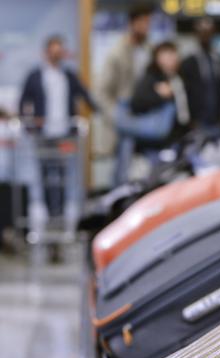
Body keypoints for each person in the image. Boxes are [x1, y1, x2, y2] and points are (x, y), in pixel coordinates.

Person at [19, 35, 96, 235]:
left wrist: (102, 113)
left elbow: (85, 95)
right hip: (43, 136)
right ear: (46, 53)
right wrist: (29, 125)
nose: (57, 55)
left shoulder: (68, 75)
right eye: (54, 51)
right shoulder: (35, 75)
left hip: (65, 135)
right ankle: (49, 215)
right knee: (45, 177)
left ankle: (59, 216)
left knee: (61, 177)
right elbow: (23, 101)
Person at [96, 3, 153, 183]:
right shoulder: (117, 53)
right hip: (125, 117)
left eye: (148, 23)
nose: (146, 27)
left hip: (146, 117)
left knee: (146, 170)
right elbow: (101, 91)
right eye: (143, 22)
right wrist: (116, 115)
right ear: (132, 23)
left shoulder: (149, 51)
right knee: (122, 170)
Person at [130, 41, 191, 151]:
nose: (173, 58)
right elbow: (137, 103)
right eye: (168, 54)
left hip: (180, 136)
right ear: (158, 57)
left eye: (174, 53)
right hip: (156, 142)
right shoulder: (152, 77)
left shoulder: (178, 77)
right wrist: (161, 96)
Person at [180, 17, 220, 136]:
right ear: (196, 34)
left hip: (216, 120)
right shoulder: (188, 62)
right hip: (197, 121)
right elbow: (184, 92)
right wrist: (190, 118)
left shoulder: (217, 59)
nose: (205, 35)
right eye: (202, 31)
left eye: (209, 31)